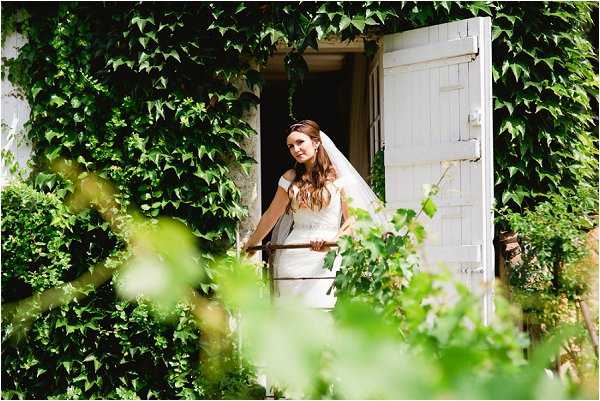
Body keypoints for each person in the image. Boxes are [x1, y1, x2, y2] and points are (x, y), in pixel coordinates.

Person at [242, 120, 385, 309]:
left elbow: (352, 219)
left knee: (322, 312)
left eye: (300, 142)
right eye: (291, 146)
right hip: (292, 253)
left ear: (316, 142)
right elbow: (270, 216)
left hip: (325, 254)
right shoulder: (290, 178)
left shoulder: (339, 177)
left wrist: (333, 242)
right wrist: (251, 244)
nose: (296, 149)